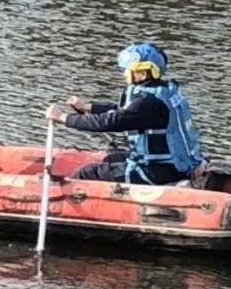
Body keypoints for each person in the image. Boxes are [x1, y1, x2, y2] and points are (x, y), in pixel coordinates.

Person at [45, 42, 206, 185]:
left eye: (127, 70)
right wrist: (87, 107)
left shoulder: (147, 103)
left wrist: (63, 118)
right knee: (111, 158)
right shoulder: (162, 93)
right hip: (174, 163)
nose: (124, 74)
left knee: (86, 173)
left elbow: (111, 121)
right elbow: (124, 112)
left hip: (160, 170)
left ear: (142, 73)